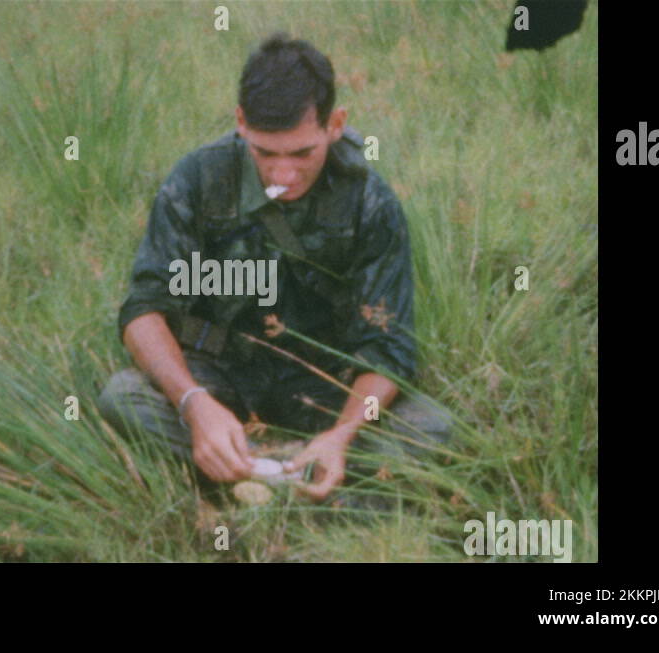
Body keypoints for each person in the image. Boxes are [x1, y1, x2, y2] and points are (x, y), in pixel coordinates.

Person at [98, 32, 450, 503]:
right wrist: (193, 403)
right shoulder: (197, 179)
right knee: (122, 397)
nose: (283, 176)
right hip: (222, 379)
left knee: (432, 427)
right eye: (266, 153)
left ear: (335, 124)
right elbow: (143, 310)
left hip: (321, 387)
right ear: (241, 123)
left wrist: (343, 434)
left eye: (302, 153)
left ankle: (270, 471)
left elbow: (387, 351)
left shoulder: (370, 202)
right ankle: (290, 479)